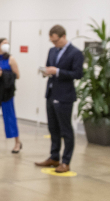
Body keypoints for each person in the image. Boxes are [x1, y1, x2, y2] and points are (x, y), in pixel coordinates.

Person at [35, 25, 84, 173]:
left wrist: (57, 71)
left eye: (56, 41)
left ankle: (66, 161)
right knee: (53, 128)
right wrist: (46, 72)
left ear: (63, 37)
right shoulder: (52, 50)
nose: (54, 44)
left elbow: (77, 74)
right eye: (52, 41)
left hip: (65, 96)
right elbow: (49, 67)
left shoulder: (76, 53)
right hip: (51, 93)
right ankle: (54, 157)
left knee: (65, 129)